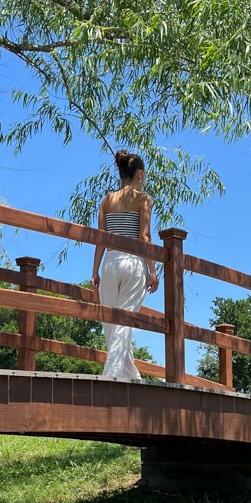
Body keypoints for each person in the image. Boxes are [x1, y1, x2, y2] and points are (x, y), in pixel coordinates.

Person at [91, 150, 159, 381]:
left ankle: (132, 378)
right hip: (133, 262)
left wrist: (94, 272)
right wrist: (153, 270)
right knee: (123, 322)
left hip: (110, 263)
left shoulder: (106, 201)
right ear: (140, 173)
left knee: (112, 324)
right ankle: (112, 376)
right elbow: (144, 237)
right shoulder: (143, 199)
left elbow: (101, 239)